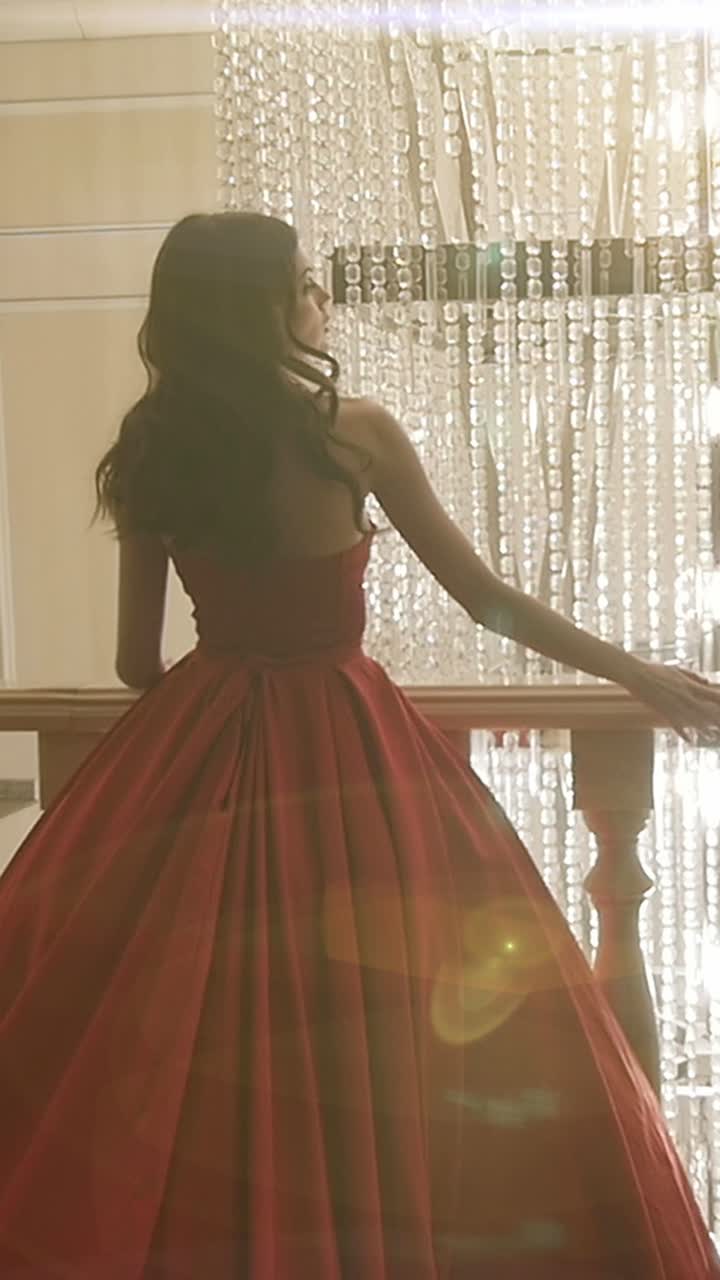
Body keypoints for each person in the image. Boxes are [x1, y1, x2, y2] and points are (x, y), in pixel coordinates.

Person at [0, 211, 719, 1280]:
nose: (320, 299)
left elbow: (132, 662)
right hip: (354, 752)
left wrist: (208, 707)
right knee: (384, 1024)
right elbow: (487, 602)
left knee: (179, 1035)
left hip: (199, 742)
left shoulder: (155, 447)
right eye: (303, 283)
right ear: (260, 305)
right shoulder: (354, 432)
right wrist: (641, 674)